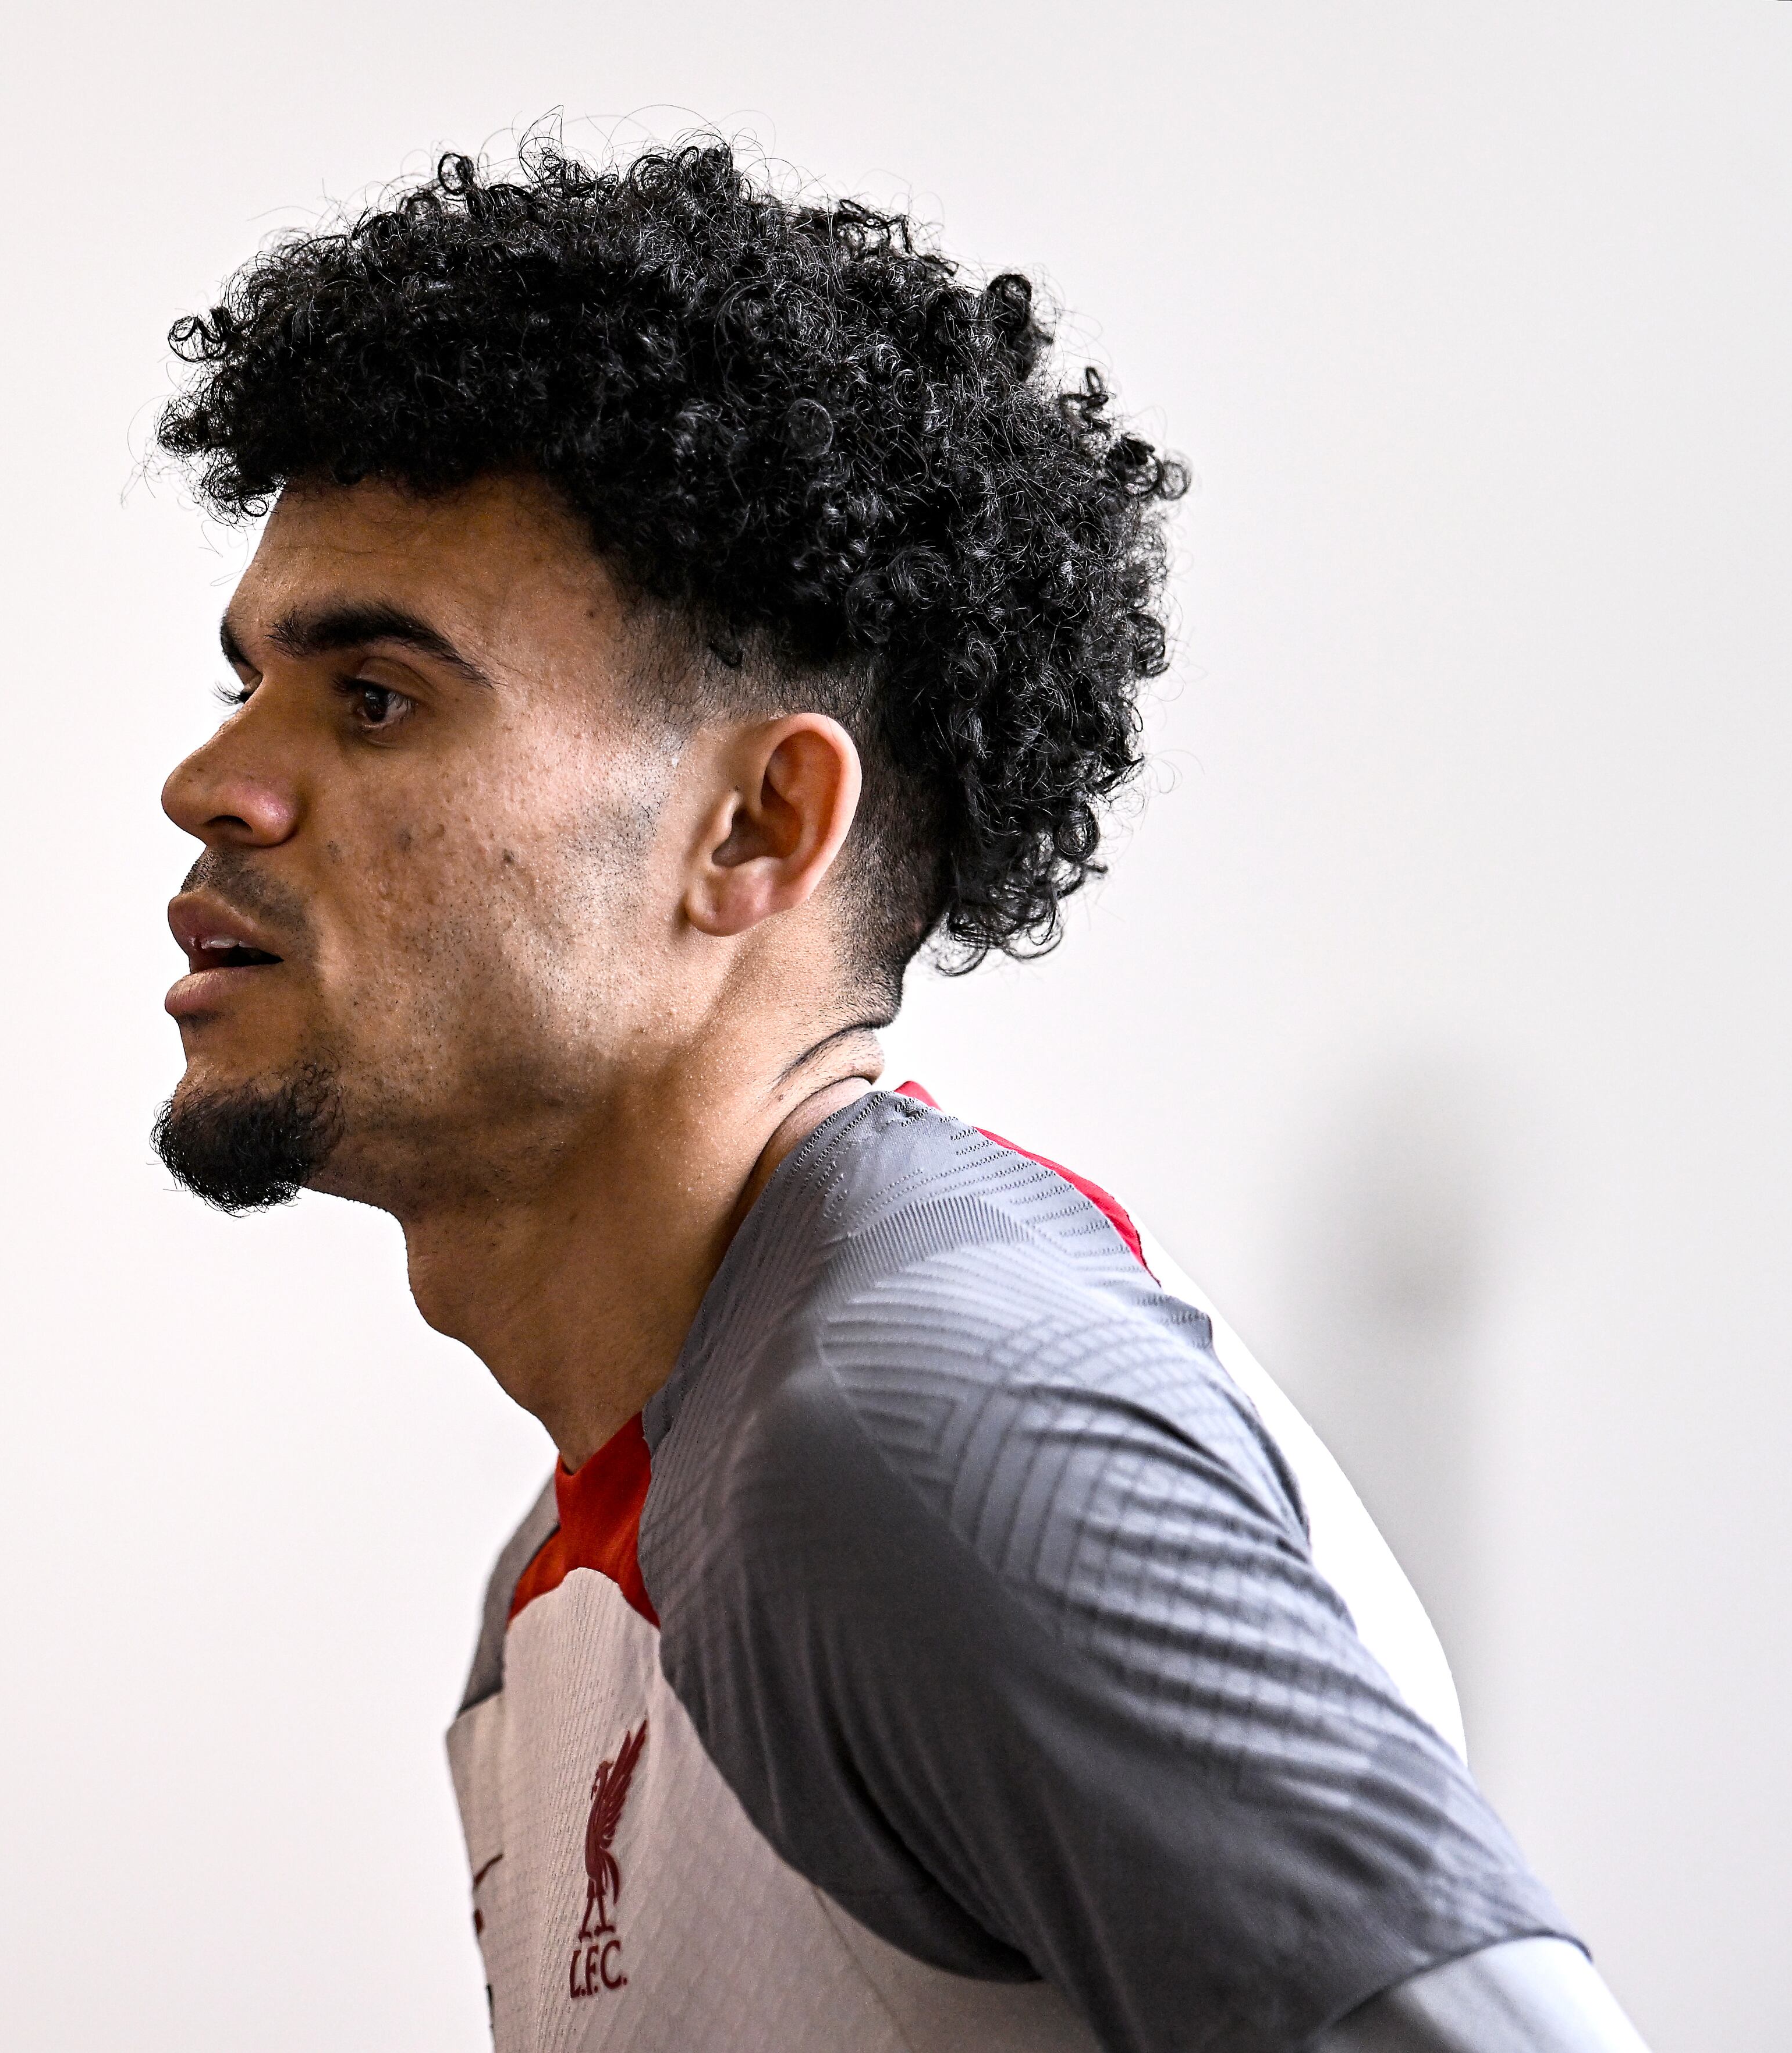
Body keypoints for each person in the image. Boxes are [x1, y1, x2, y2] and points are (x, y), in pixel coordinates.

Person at [147, 140, 1646, 2053]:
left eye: (373, 699)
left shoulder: (921, 1442)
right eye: (244, 684)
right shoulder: (573, 1566)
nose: (214, 785)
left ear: (758, 828)